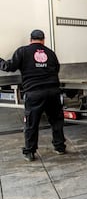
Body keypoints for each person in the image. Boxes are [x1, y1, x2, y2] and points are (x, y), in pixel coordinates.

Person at [0, 29, 66, 161]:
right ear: (43, 40)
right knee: (56, 121)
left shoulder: (23, 51)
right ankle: (59, 147)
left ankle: (30, 152)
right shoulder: (50, 53)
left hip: (34, 93)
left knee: (31, 123)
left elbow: (9, 67)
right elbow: (56, 69)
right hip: (53, 91)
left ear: (31, 39)